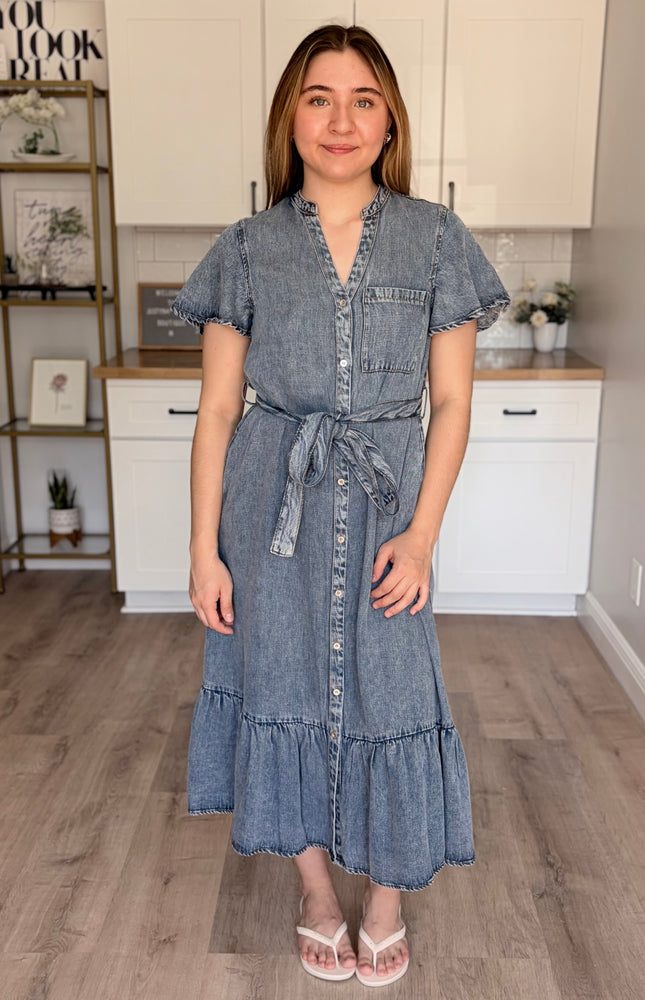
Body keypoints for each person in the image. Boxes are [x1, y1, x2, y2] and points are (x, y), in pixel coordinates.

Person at [170, 23, 510, 987]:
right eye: (319, 97)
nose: (341, 119)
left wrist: (422, 534)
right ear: (290, 116)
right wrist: (204, 548)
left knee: (393, 689)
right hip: (269, 500)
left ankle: (387, 897)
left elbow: (450, 402)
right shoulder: (245, 247)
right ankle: (316, 893)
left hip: (387, 503)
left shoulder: (436, 237)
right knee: (276, 684)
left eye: (364, 98)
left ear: (390, 120)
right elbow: (219, 407)